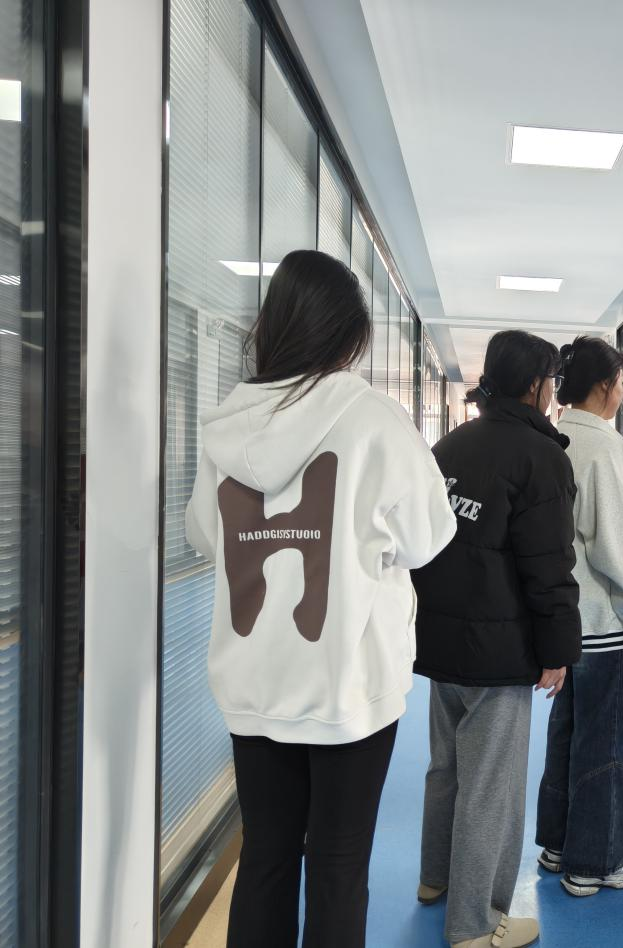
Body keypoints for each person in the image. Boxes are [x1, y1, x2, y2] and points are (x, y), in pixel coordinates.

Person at [185, 249, 457, 948]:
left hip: (254, 680)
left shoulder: (226, 426)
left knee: (266, 858)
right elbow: (428, 538)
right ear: (348, 338)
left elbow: (207, 536)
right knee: (338, 866)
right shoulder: (375, 421)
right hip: (348, 685)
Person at [411, 330, 582, 948]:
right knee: (492, 787)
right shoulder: (540, 458)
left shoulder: (448, 447)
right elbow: (549, 566)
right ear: (535, 385)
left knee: (447, 769)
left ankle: (435, 878)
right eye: (551, 381)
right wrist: (557, 651)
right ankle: (475, 923)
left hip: (439, 640)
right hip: (500, 652)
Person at [535, 336, 623, 898]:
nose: (622, 391)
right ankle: (597, 861)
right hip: (602, 625)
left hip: (564, 624)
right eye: (621, 382)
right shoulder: (603, 448)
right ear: (606, 386)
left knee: (567, 735)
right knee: (604, 742)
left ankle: (560, 844)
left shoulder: (555, 438)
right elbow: (615, 544)